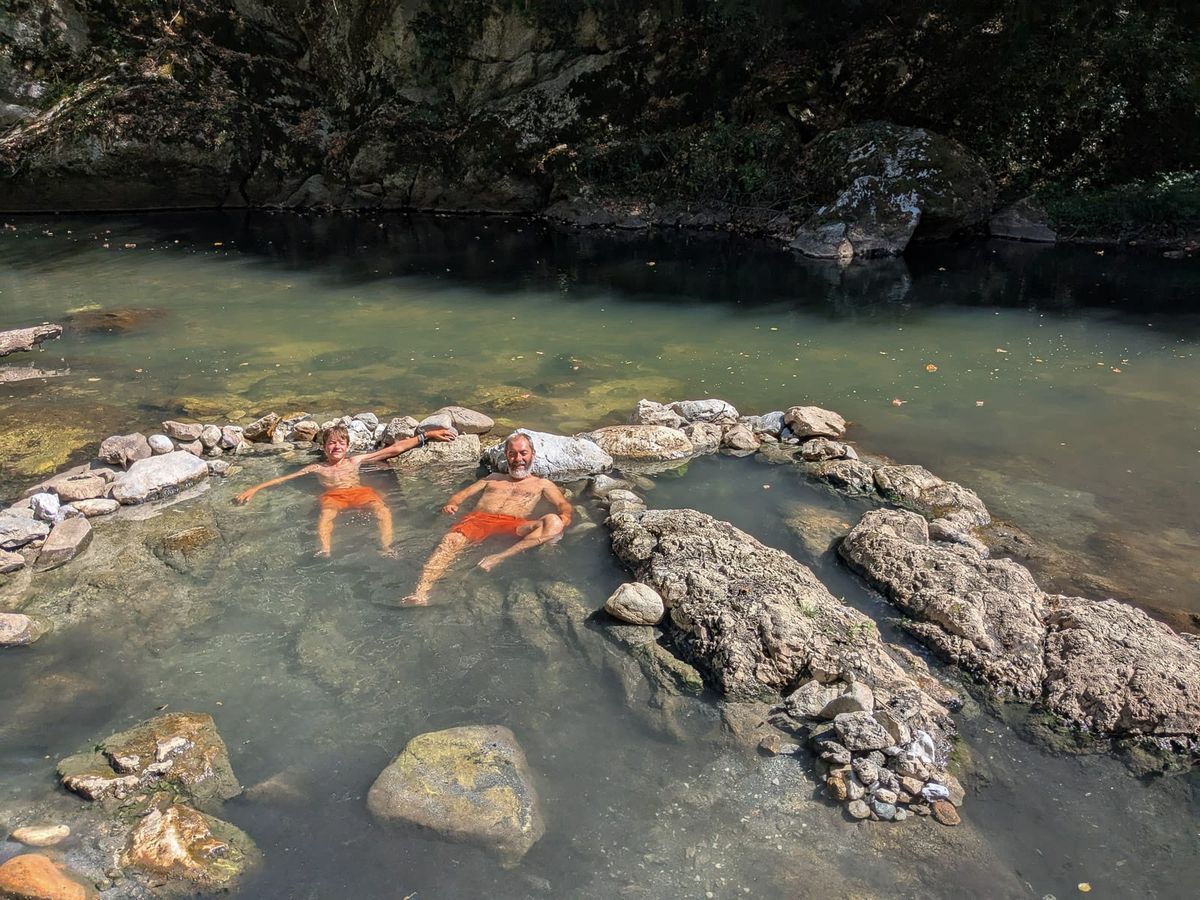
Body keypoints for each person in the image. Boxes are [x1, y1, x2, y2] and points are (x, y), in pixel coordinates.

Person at [400, 431, 572, 605]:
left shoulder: (542, 484)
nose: (518, 458)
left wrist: (565, 517)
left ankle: (498, 557)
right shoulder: (493, 478)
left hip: (513, 523)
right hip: (478, 520)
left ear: (532, 454)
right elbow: (461, 495)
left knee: (553, 522)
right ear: (506, 456)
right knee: (449, 541)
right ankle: (421, 593)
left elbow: (563, 505)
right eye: (512, 454)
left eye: (523, 453)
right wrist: (452, 504)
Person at [234, 423, 456, 557]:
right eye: (331, 443)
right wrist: (254, 489)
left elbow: (394, 449)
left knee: (383, 510)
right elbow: (283, 479)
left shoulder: (355, 461)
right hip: (333, 496)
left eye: (341, 443)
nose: (336, 446)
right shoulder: (316, 467)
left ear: (347, 446)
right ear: (324, 447)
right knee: (326, 515)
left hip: (360, 493)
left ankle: (386, 547)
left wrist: (427, 435)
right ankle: (325, 549)